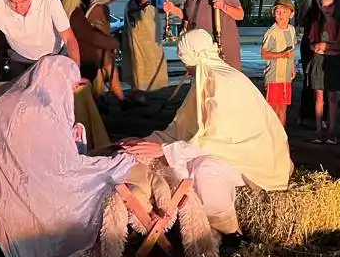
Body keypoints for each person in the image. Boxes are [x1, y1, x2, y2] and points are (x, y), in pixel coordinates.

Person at [0, 55, 136, 257]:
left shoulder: (7, 97)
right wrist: (119, 162)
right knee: (91, 184)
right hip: (9, 177)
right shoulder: (39, 110)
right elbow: (62, 168)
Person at [122, 29, 293, 234]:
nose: (184, 65)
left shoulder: (224, 82)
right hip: (232, 152)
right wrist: (147, 141)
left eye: (183, 58)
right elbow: (183, 129)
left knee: (204, 170)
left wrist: (167, 149)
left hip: (255, 161)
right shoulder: (206, 78)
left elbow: (216, 140)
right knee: (180, 164)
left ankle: (229, 232)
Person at [307, 0, 340, 143]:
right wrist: (316, 47)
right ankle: (319, 129)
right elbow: (311, 44)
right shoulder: (316, 24)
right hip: (319, 60)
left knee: (332, 96)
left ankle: (331, 130)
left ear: (335, 6)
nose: (327, 9)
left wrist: (329, 46)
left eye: (330, 6)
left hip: (333, 61)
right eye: (324, 6)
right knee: (319, 96)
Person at [298, 0, 336, 127]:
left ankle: (324, 117)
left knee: (326, 81)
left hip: (328, 44)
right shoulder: (310, 0)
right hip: (310, 43)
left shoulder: (334, 0)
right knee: (310, 80)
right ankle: (305, 114)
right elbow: (300, 20)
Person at [122, 0, 168, 99]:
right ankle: (135, 96)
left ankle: (137, 95)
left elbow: (153, 27)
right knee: (138, 71)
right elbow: (133, 13)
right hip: (137, 45)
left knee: (148, 70)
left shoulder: (150, 9)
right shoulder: (131, 6)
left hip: (150, 45)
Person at [85, 0, 125, 102]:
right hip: (101, 48)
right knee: (111, 72)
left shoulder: (92, 5)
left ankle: (99, 98)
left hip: (95, 47)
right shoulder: (101, 8)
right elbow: (103, 30)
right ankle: (121, 99)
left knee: (101, 73)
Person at [262, 0, 298, 126]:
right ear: (274, 14)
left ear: (291, 13)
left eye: (285, 11)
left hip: (286, 77)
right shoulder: (271, 33)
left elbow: (292, 50)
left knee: (283, 107)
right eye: (278, 12)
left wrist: (293, 67)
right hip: (274, 77)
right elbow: (264, 54)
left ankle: (282, 137)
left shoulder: (292, 30)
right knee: (272, 109)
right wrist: (281, 55)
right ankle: (272, 137)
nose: (281, 15)